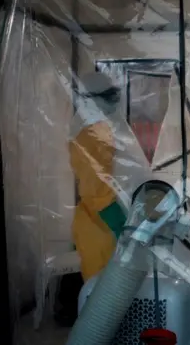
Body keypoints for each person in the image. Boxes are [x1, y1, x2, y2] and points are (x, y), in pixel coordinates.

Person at [68, 72, 129, 281]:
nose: (115, 103)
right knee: (102, 293)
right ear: (91, 99)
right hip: (99, 222)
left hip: (99, 217)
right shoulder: (90, 133)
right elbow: (95, 184)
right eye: (109, 97)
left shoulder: (100, 128)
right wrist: (113, 213)